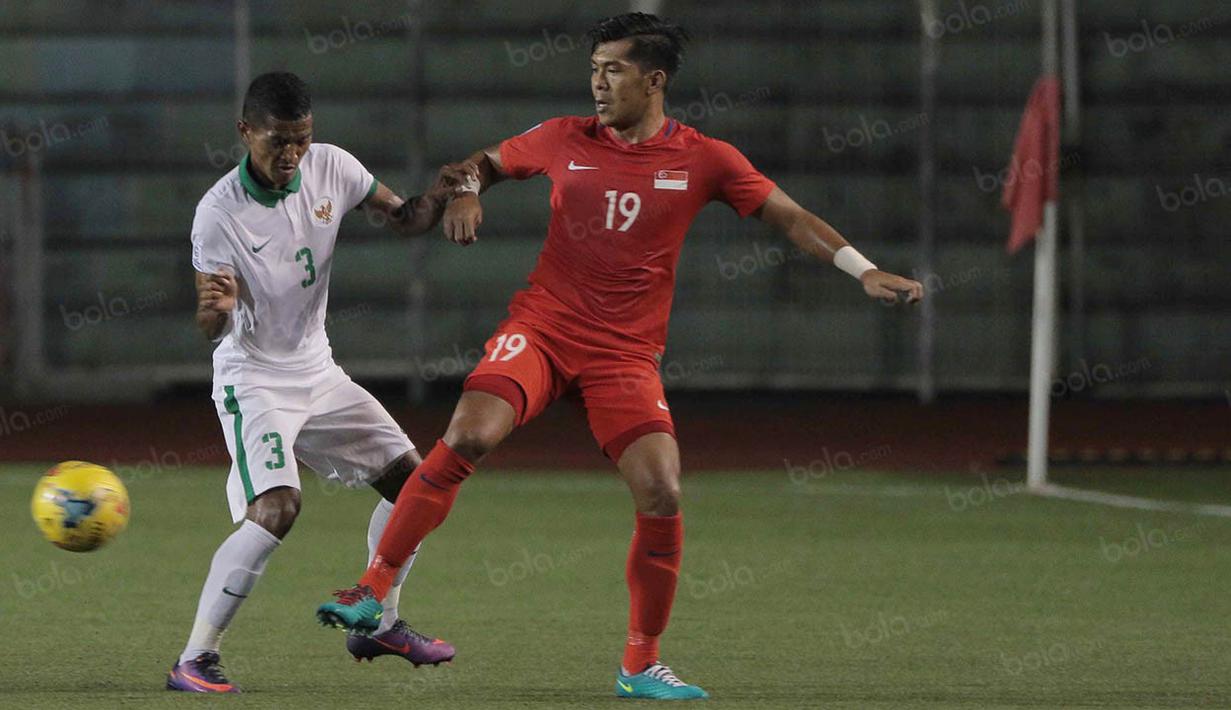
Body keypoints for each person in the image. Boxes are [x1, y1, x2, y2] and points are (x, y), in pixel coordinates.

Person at [316, 13, 924, 701]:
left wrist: (862, 269)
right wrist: (464, 193)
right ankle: (371, 591)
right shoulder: (562, 137)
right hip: (542, 329)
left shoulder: (705, 158)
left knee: (662, 491)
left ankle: (639, 666)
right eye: (594, 69)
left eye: (613, 70)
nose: (598, 83)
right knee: (467, 436)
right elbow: (478, 163)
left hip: (624, 356)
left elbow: (788, 217)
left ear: (653, 79)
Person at [169, 71, 467, 693]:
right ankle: (195, 658)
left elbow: (405, 217)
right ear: (245, 131)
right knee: (277, 507)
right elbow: (207, 324)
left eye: (302, 140)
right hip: (254, 380)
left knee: (414, 486)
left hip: (319, 370)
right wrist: (215, 307)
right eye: (278, 141)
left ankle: (379, 623)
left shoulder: (333, 167)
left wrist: (441, 194)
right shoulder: (218, 212)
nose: (292, 155)